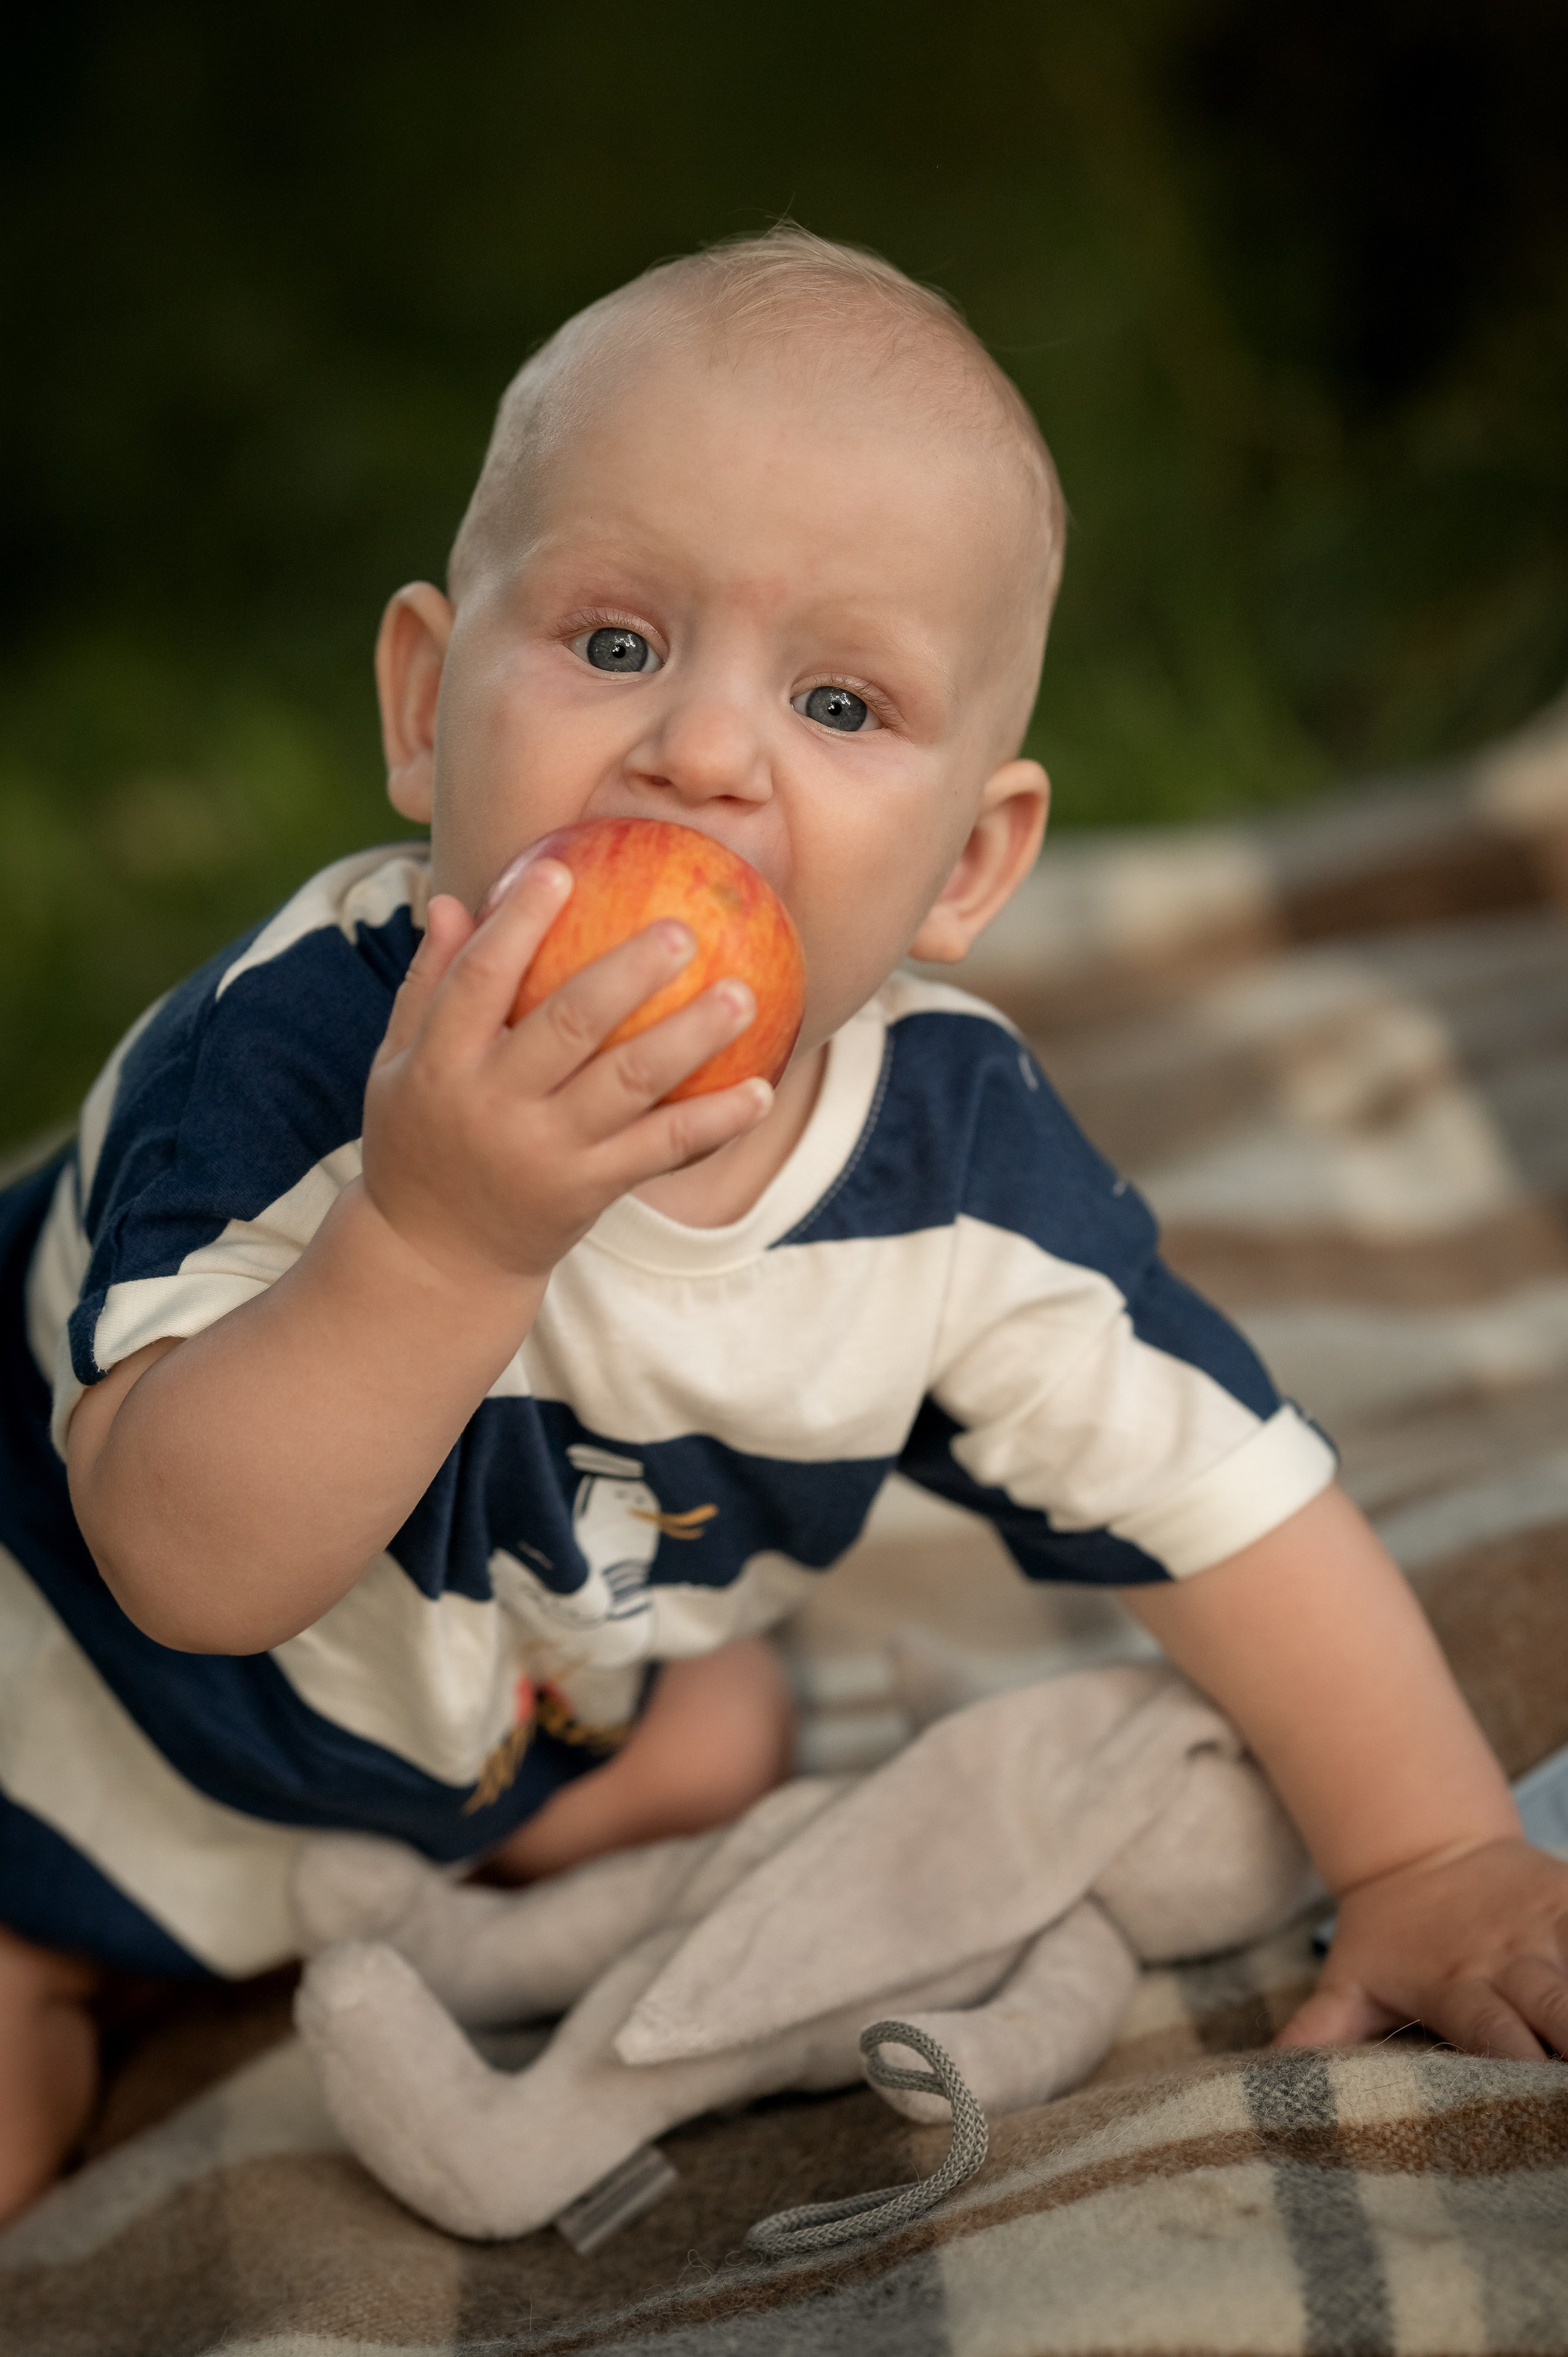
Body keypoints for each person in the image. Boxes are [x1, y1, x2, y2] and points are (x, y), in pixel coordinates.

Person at [2, 225, 1566, 2225]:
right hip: (70, 1717)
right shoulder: (292, 1057)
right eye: (617, 644)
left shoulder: (953, 1169)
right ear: (424, 699)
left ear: (969, 863)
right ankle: (69, 1955)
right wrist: (437, 1242)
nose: (706, 753)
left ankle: (484, 1801)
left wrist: (1428, 1854)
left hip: (471, 1708)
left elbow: (1227, 1501)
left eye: (838, 698)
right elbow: (180, 1561)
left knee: (703, 1740)